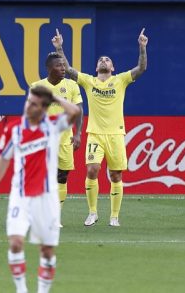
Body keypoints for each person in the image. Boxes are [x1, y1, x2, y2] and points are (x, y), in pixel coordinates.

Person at [0, 86, 80, 293]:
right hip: (20, 196)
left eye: (34, 104)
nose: (28, 106)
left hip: (47, 198)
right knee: (16, 243)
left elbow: (75, 112)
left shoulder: (53, 126)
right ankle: (21, 290)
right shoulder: (14, 129)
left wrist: (53, 97)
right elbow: (3, 159)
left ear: (43, 108)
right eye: (28, 101)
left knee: (46, 251)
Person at [53, 28, 148, 227]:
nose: (103, 61)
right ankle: (92, 213)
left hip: (115, 134)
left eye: (107, 60)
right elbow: (68, 70)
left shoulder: (120, 80)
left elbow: (141, 68)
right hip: (95, 133)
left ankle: (114, 216)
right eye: (101, 60)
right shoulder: (89, 81)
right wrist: (59, 47)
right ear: (97, 67)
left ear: (112, 67)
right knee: (92, 170)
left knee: (115, 175)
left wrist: (142, 47)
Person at [31, 52, 83, 222]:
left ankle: (55, 216)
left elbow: (79, 110)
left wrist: (77, 133)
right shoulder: (37, 86)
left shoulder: (72, 86)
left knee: (62, 176)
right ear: (49, 68)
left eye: (63, 65)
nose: (63, 68)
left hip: (65, 139)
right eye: (59, 66)